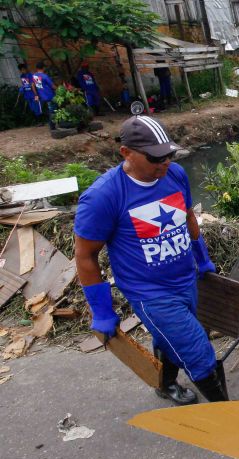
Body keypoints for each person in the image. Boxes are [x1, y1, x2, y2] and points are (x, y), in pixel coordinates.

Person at [74, 115, 228, 404]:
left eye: (168, 155)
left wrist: (202, 258)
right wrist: (102, 311)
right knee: (199, 352)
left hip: (185, 280)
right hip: (150, 293)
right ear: (126, 153)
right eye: (155, 157)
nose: (164, 163)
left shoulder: (175, 175)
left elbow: (188, 216)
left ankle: (165, 384)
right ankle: (228, 412)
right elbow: (85, 255)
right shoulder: (103, 197)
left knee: (168, 339)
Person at [32, 62, 56, 130]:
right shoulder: (45, 76)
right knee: (52, 111)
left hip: (42, 97)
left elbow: (33, 85)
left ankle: (52, 125)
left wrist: (36, 94)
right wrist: (59, 88)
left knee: (49, 111)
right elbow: (53, 86)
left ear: (37, 68)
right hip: (50, 96)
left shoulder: (34, 76)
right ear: (43, 68)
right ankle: (52, 127)